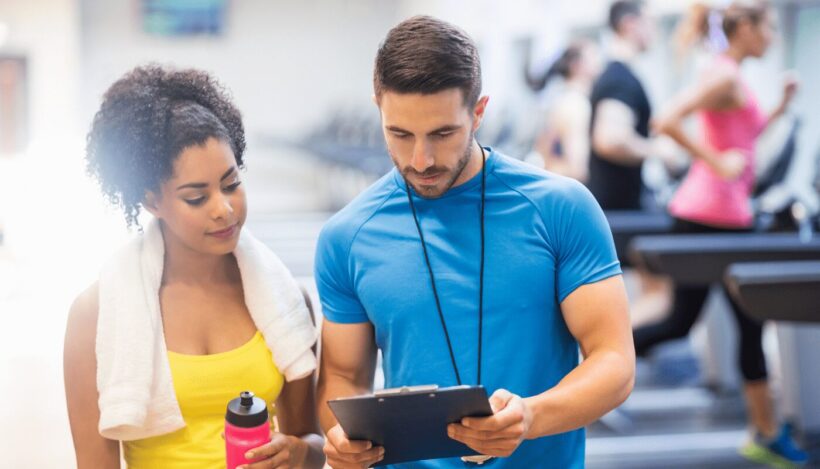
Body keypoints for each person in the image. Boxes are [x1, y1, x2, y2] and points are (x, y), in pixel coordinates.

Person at [315, 15, 635, 469]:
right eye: (399, 134)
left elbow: (614, 362)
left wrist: (531, 417)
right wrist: (340, 438)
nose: (420, 159)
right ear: (378, 109)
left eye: (443, 134)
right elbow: (342, 377)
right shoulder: (346, 236)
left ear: (478, 112)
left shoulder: (561, 208)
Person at [64, 66, 325, 469]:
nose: (224, 209)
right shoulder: (96, 315)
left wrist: (299, 452)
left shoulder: (285, 298)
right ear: (152, 201)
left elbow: (311, 440)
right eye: (196, 197)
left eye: (231, 184)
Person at [638, 1, 808, 466]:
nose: (773, 36)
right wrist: (714, 161)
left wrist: (779, 108)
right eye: (769, 27)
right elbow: (666, 119)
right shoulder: (725, 76)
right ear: (747, 29)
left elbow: (743, 140)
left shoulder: (731, 74)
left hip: (728, 218)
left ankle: (766, 433)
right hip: (705, 217)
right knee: (680, 323)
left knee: (748, 325)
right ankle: (587, 361)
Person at [528, 39, 603, 182]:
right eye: (594, 57)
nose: (600, 63)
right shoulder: (575, 104)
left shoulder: (563, 100)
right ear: (577, 66)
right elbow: (578, 169)